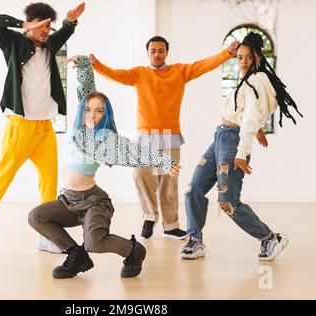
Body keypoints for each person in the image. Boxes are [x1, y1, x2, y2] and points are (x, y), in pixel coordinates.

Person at [28, 56, 181, 279]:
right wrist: (82, 64)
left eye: (99, 111)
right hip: (68, 200)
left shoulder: (105, 138)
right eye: (89, 109)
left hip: (93, 201)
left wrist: (165, 161)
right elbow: (87, 91)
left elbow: (133, 152)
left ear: (105, 114)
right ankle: (75, 254)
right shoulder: (80, 130)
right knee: (36, 216)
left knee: (95, 243)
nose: (92, 115)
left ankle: (134, 250)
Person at [0, 2, 85, 257]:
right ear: (31, 23)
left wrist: (70, 21)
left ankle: (46, 237)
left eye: (49, 27)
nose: (47, 31)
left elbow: (64, 33)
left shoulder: (50, 45)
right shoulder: (13, 43)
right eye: (43, 26)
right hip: (19, 126)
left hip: (45, 127)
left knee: (49, 185)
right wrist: (23, 25)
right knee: (1, 180)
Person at [89, 37, 238, 240]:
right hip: (145, 136)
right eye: (153, 51)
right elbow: (116, 75)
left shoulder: (179, 71)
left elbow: (204, 65)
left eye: (161, 50)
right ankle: (149, 216)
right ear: (148, 53)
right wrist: (97, 65)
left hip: (170, 135)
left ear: (166, 52)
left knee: (168, 183)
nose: (157, 54)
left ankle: (170, 226)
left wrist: (227, 53)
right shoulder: (139, 73)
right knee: (141, 175)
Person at [181, 32, 303, 261]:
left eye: (249, 57)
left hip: (233, 142)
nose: (243, 61)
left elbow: (250, 118)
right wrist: (256, 128)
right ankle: (195, 241)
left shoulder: (259, 80)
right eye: (240, 57)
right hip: (220, 137)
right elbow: (246, 112)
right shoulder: (248, 80)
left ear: (258, 57)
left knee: (228, 202)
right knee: (194, 188)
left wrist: (242, 153)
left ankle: (269, 238)